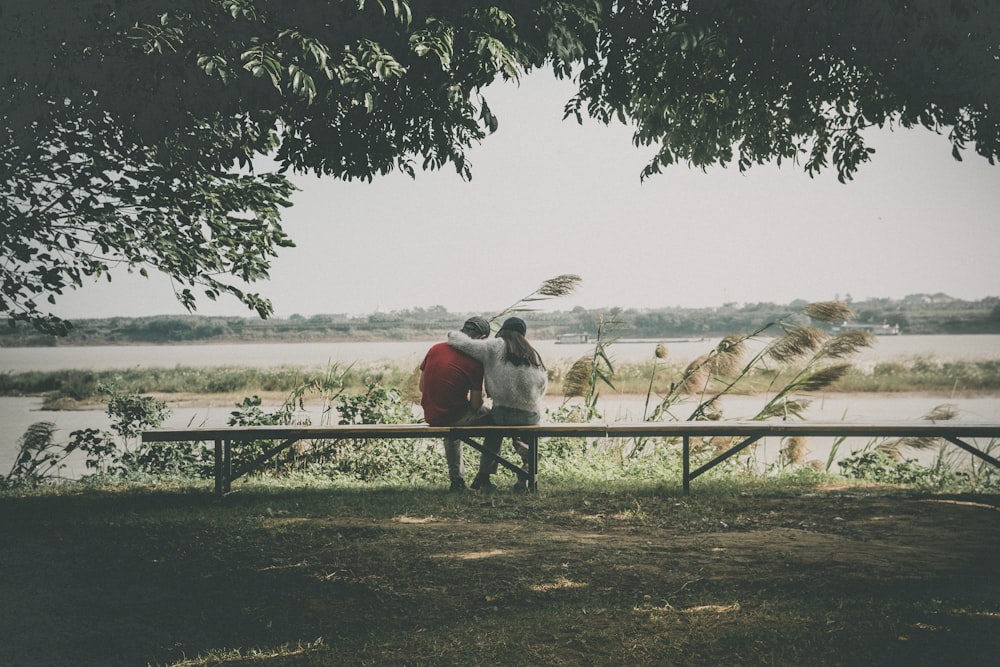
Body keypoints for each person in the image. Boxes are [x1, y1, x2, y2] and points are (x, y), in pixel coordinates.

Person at [447, 316, 548, 491]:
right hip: (530, 415)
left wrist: (453, 334)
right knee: (524, 432)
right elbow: (542, 385)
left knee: (494, 432)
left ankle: (484, 478)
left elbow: (466, 345)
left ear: (502, 330)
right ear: (523, 335)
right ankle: (525, 468)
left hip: (502, 413)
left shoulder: (496, 346)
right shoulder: (533, 354)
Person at [419, 316, 500, 492]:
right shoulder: (474, 360)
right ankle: (484, 477)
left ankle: (457, 481)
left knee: (452, 426)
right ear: (482, 339)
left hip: (431, 415)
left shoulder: (435, 348)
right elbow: (476, 405)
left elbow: (421, 386)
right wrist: (482, 395)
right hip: (452, 416)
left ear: (462, 330)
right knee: (496, 423)